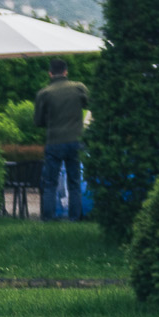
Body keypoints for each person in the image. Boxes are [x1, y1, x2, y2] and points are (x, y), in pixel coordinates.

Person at [31, 67, 92, 221]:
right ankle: (75, 217)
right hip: (76, 141)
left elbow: (38, 121)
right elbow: (89, 104)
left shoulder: (44, 93)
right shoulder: (79, 87)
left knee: (50, 183)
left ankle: (48, 218)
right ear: (66, 72)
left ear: (50, 73)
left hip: (54, 142)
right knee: (75, 182)